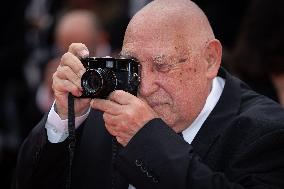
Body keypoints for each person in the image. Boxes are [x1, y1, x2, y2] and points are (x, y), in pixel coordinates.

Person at [14, 0, 284, 189]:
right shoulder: (101, 114)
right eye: (133, 65)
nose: (143, 87)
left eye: (162, 65)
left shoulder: (268, 133)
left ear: (210, 60)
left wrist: (146, 139)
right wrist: (64, 118)